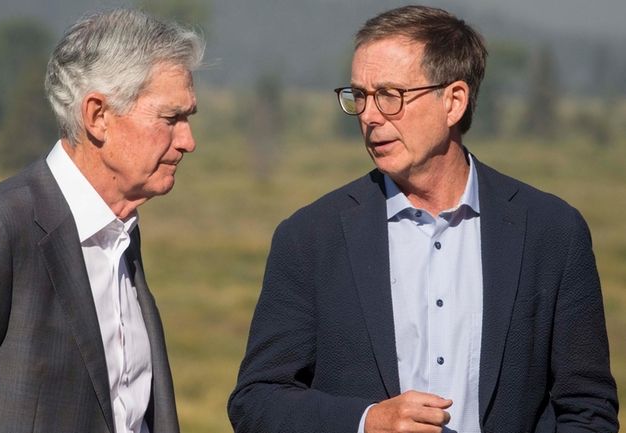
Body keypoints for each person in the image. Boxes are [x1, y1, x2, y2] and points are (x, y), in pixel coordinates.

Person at [228, 5, 618, 433]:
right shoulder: (309, 238)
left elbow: (588, 410)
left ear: (453, 102)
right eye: (359, 95)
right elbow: (256, 401)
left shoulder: (552, 232)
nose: (370, 115)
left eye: (390, 95)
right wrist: (365, 421)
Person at [0, 9, 204, 433]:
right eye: (170, 118)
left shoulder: (122, 237)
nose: (187, 141)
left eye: (188, 119)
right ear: (98, 116)